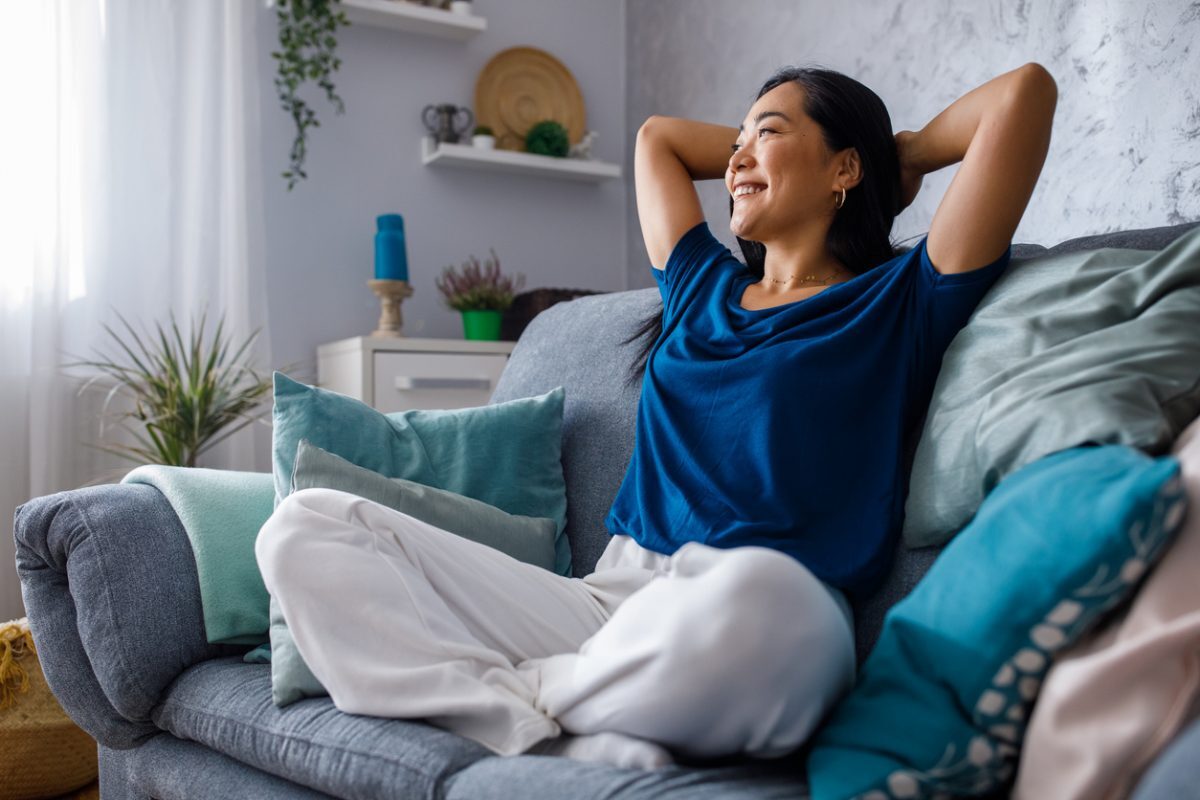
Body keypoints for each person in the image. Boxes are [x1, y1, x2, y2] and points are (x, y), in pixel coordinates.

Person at [256, 62, 1057, 773]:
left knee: (772, 608)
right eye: (737, 140)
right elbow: (657, 141)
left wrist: (896, 153)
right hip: (610, 599)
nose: (737, 157)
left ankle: (528, 701)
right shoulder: (698, 288)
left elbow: (1022, 95)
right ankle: (554, 719)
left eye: (767, 133)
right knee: (304, 528)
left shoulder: (902, 298)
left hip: (764, 599)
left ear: (843, 166)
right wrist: (766, 146)